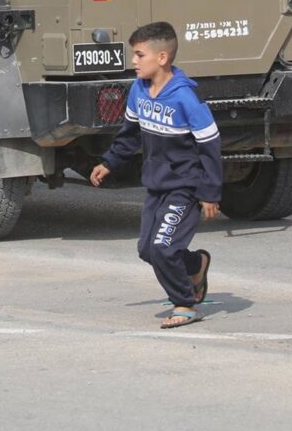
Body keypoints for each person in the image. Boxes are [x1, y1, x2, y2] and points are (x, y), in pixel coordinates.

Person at [89, 21, 222, 328]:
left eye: (139, 55)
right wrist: (109, 162)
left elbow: (211, 145)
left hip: (186, 187)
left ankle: (185, 304)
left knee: (164, 248)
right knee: (148, 250)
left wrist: (210, 193)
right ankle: (196, 264)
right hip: (156, 185)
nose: (133, 61)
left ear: (162, 58)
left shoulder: (186, 98)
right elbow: (131, 133)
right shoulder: (138, 90)